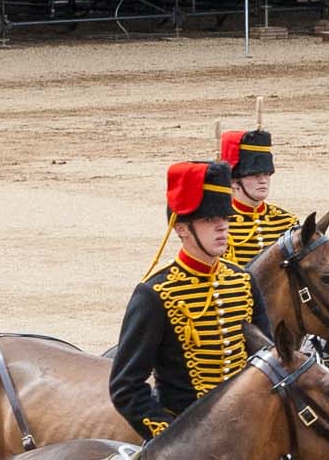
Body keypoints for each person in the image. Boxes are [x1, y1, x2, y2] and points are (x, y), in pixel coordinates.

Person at [111, 161, 273, 441]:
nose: (223, 227)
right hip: (187, 441)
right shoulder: (155, 294)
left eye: (225, 218)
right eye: (210, 220)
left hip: (246, 432)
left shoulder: (243, 282)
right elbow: (126, 386)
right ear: (182, 229)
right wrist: (172, 437)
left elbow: (266, 361)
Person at [219, 128, 298, 266]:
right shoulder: (219, 223)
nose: (263, 180)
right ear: (234, 181)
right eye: (255, 175)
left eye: (266, 174)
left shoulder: (286, 222)